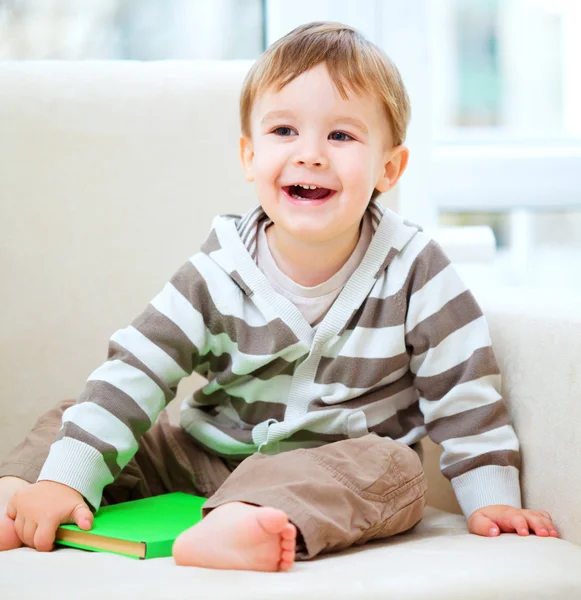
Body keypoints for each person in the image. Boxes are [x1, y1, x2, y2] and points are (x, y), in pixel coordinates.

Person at [0, 21, 558, 572]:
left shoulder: (417, 270)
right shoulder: (216, 271)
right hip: (203, 459)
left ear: (388, 168)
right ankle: (20, 497)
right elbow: (137, 370)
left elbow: (465, 394)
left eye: (341, 136)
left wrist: (493, 498)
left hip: (330, 471)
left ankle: (246, 519)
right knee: (80, 417)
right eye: (284, 131)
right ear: (249, 156)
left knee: (397, 469)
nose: (310, 154)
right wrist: (63, 474)